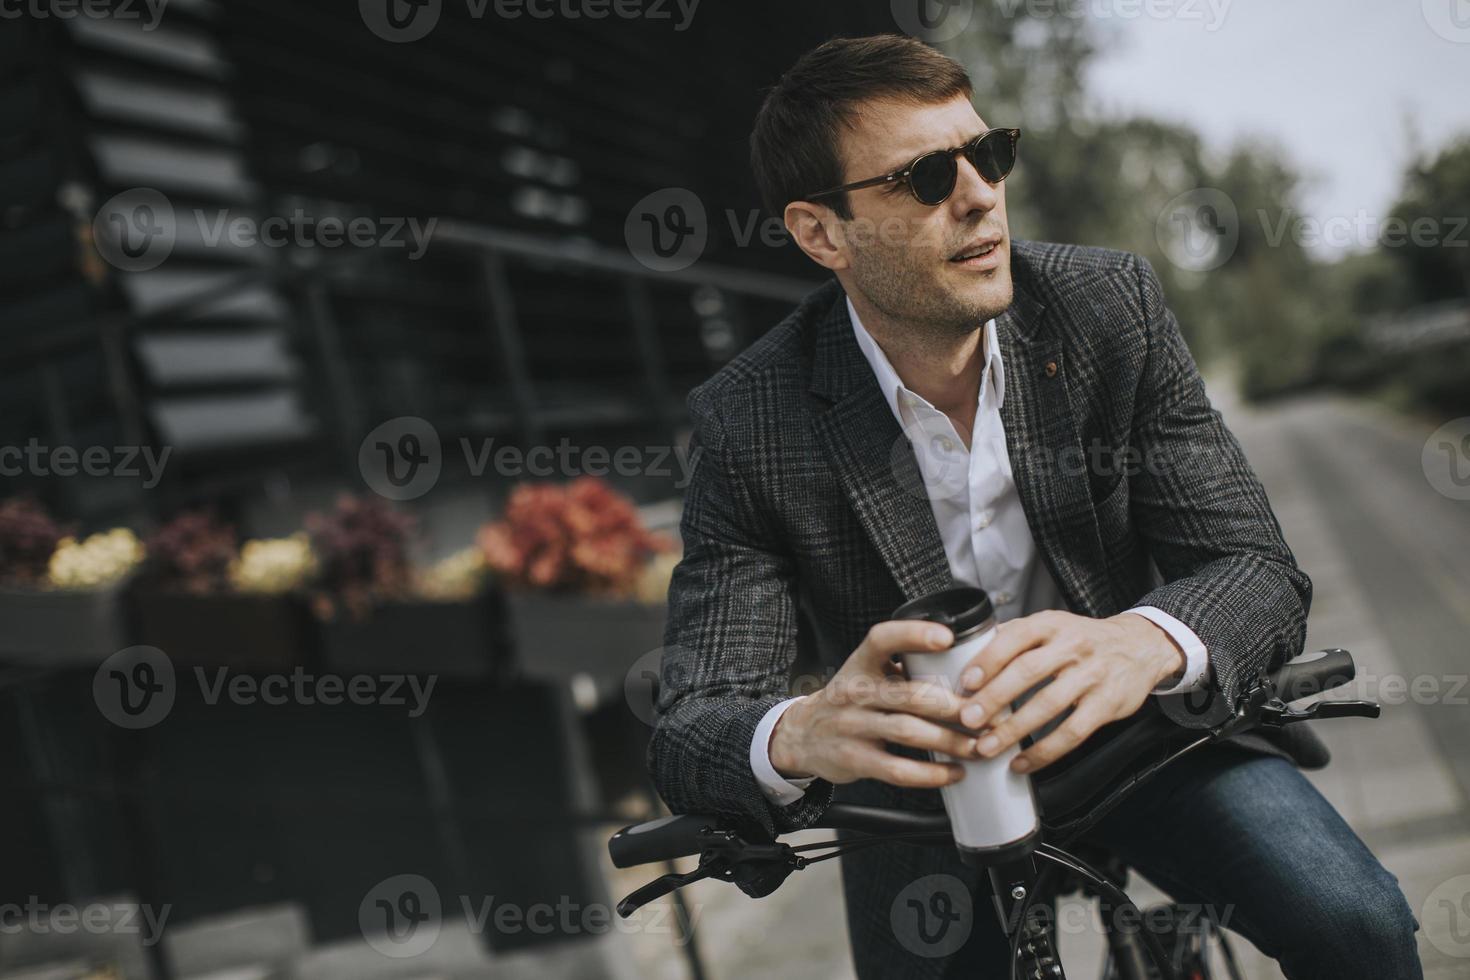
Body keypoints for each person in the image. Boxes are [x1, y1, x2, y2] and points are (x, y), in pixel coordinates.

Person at [649, 33, 1422, 978]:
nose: (979, 194)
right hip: (924, 793)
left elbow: (1257, 569)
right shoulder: (748, 419)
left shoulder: (1107, 306)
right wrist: (800, 730)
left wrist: (1142, 642)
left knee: (1359, 926)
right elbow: (692, 718)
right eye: (926, 176)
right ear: (822, 234)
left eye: (990, 153)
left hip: (1142, 732)